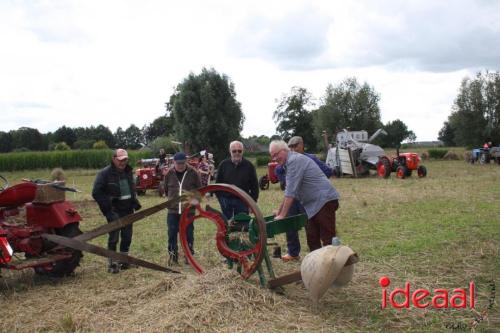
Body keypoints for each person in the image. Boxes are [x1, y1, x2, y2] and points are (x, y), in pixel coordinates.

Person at [270, 140, 340, 252]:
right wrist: (279, 213)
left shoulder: (294, 161)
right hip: (311, 205)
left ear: (284, 150)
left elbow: (291, 191)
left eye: (276, 154)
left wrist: (283, 215)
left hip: (324, 200)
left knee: (328, 239)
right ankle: (317, 267)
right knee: (312, 238)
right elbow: (289, 190)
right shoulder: (288, 164)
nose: (275, 158)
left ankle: (336, 264)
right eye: (272, 156)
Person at [92, 148, 142, 273]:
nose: (123, 162)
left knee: (127, 236)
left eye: (125, 160)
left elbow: (131, 188)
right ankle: (112, 263)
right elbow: (96, 193)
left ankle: (124, 261)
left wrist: (134, 201)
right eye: (120, 160)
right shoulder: (104, 174)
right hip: (114, 210)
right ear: (114, 159)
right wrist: (108, 208)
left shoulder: (128, 171)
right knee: (114, 237)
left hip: (128, 209)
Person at [164, 152, 201, 265]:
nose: (180, 165)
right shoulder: (169, 174)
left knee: (188, 233)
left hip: (188, 211)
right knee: (172, 233)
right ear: (173, 162)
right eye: (178, 163)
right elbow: (166, 189)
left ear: (186, 162)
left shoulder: (193, 173)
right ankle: (173, 256)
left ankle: (188, 256)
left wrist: (194, 201)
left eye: (183, 163)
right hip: (173, 211)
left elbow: (200, 191)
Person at [216, 141, 259, 220]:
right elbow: (218, 184)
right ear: (230, 151)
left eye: (239, 151)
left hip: (243, 201)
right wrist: (221, 200)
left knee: (242, 226)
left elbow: (255, 186)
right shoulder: (223, 165)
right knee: (226, 226)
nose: (237, 153)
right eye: (234, 151)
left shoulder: (249, 166)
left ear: (243, 151)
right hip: (226, 201)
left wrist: (252, 204)